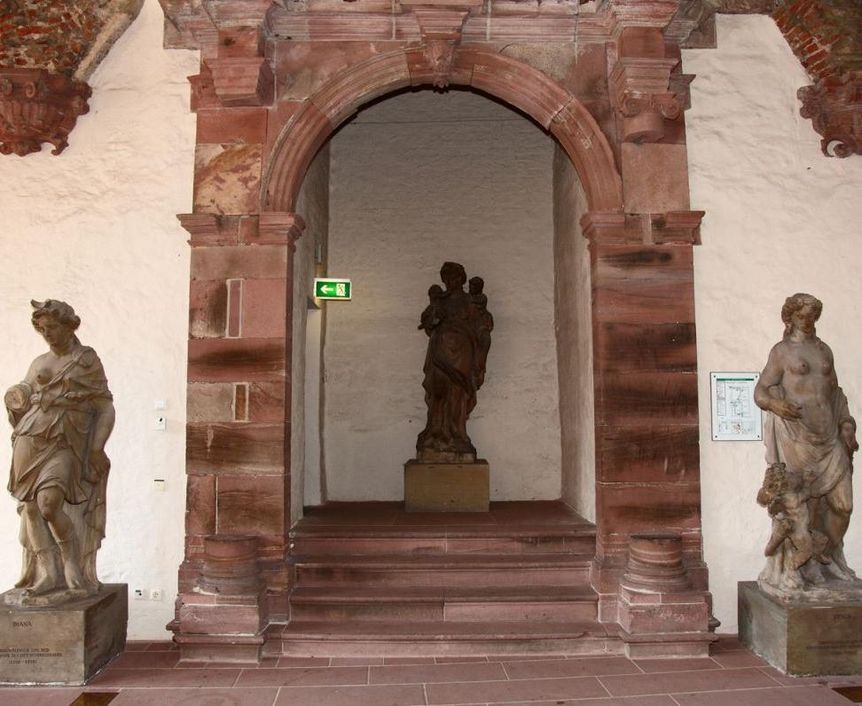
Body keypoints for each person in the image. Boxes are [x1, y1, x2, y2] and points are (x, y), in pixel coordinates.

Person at [5, 300, 115, 603]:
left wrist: (96, 449)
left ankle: (71, 565)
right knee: (30, 507)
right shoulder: (40, 360)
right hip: (29, 435)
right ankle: (48, 572)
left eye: (52, 327)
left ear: (70, 325)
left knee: (49, 504)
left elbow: (104, 406)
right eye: (42, 329)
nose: (47, 334)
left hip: (65, 440)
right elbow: (24, 392)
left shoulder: (86, 361)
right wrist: (17, 395)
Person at [754, 293, 858, 589]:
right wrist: (777, 406)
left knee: (843, 506)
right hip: (797, 438)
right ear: (790, 317)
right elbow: (761, 391)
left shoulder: (825, 351)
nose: (808, 320)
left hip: (830, 437)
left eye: (813, 314)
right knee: (801, 507)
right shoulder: (782, 351)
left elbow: (835, 394)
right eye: (802, 315)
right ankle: (803, 568)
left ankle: (829, 556)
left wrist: (847, 424)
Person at [416, 263, 492, 461]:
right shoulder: (439, 301)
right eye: (448, 277)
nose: (452, 281)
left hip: (462, 353)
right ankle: (435, 433)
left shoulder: (470, 301)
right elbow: (427, 323)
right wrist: (434, 318)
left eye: (456, 277)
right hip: (440, 352)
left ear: (463, 278)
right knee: (438, 392)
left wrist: (481, 352)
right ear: (444, 280)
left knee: (458, 393)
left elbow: (484, 325)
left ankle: (457, 435)